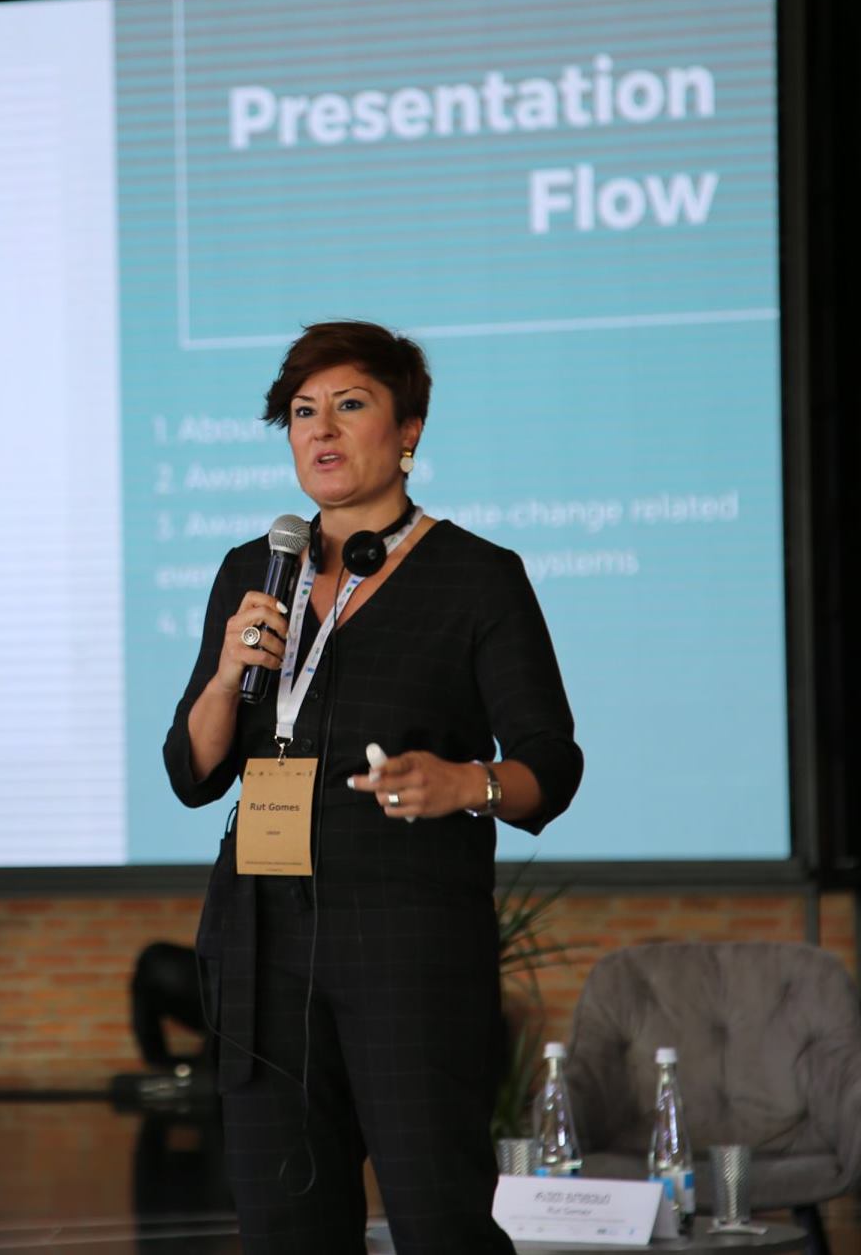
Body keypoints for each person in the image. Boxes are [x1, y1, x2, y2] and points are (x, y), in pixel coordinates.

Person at [163, 321, 583, 1253]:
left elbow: (551, 766)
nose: (321, 429)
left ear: (408, 431)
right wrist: (226, 672)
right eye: (302, 411)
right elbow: (191, 771)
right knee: (285, 1227)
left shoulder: (478, 577)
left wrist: (465, 782)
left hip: (409, 946)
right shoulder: (252, 571)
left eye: (350, 405)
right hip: (264, 943)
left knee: (439, 1220)